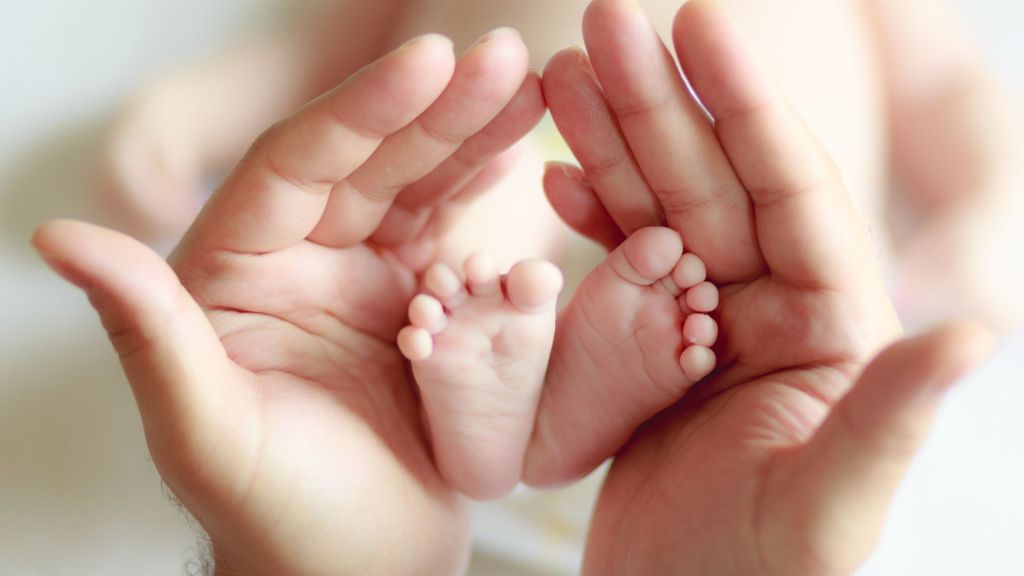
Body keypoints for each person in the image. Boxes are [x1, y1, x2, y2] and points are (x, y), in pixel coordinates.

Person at [33, 1, 993, 575]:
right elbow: (312, 54)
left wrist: (995, 213)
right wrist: (177, 118)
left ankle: (541, 391)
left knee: (565, 249)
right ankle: (513, 402)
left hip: (754, 317)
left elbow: (950, 91)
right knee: (482, 210)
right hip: (455, 315)